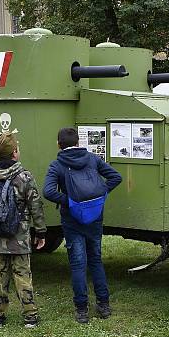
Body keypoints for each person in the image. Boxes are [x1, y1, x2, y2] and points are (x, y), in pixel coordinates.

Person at [43, 127, 122, 324]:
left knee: (78, 263)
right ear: (78, 142)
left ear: (58, 145)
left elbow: (48, 191)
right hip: (95, 217)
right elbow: (116, 177)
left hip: (72, 220)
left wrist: (69, 201)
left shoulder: (57, 165)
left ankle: (81, 310)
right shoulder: (93, 159)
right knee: (95, 259)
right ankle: (103, 305)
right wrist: (100, 194)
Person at [0, 132, 46, 329]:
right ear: (14, 153)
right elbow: (35, 206)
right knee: (22, 275)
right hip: (19, 236)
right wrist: (40, 232)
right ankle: (30, 316)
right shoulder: (24, 177)